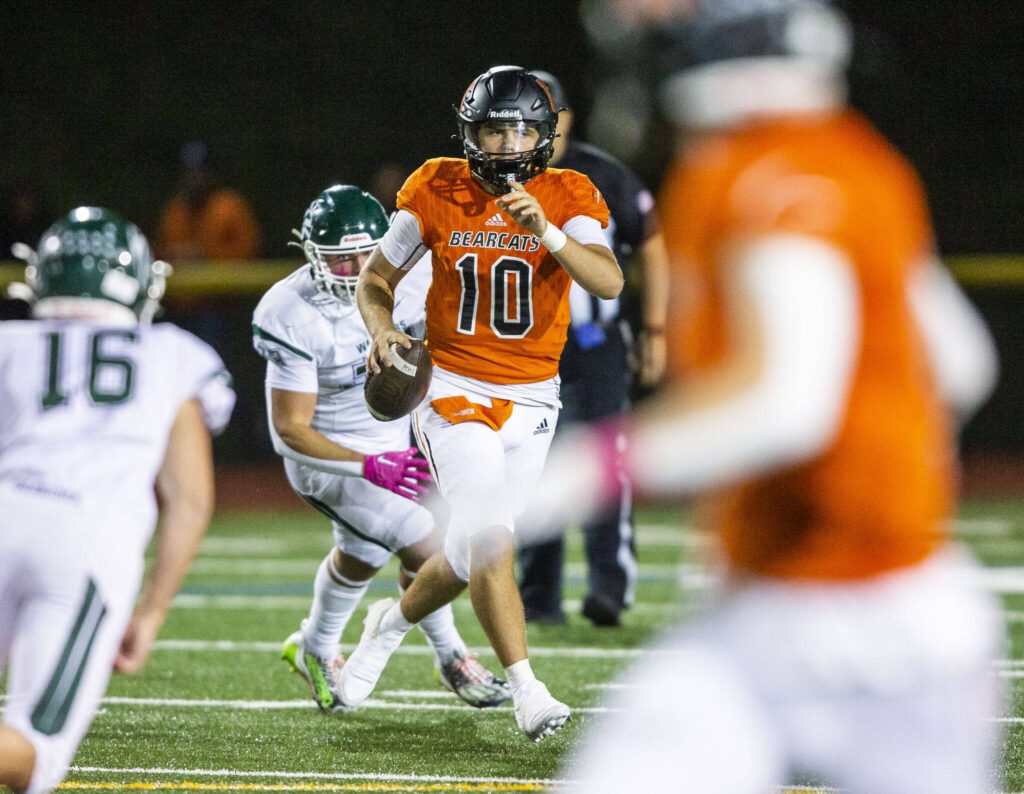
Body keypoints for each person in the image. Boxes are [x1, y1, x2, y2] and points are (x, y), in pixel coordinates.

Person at [534, 1, 1006, 790]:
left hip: (830, 623)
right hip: (905, 616)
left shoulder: (756, 172)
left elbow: (786, 403)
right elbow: (963, 365)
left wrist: (585, 473)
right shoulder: (857, 158)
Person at [339, 65, 623, 742]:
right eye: (492, 129)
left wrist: (550, 233)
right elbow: (377, 277)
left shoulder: (570, 191)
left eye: (519, 129)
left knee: (471, 555)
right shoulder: (438, 184)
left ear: (544, 134)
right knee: (491, 534)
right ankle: (528, 689)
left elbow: (608, 281)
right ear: (471, 133)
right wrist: (382, 330)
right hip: (454, 389)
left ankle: (389, 624)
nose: (503, 143)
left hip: (534, 397)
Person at [0, 207, 235, 794]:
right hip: (87, 539)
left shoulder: (9, 342)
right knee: (34, 757)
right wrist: (152, 610)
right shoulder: (175, 353)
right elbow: (189, 500)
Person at [251, 185, 509, 712]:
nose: (351, 269)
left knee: (363, 554)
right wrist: (372, 465)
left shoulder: (411, 282)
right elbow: (291, 432)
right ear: (311, 253)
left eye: (362, 255)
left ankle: (314, 647)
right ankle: (452, 654)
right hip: (329, 458)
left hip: (397, 441)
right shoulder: (291, 311)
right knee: (436, 547)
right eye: (338, 258)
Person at [516, 69, 670, 627]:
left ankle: (609, 589)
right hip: (528, 349)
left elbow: (651, 242)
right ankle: (538, 597)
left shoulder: (602, 173)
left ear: (565, 119)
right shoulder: (492, 177)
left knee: (605, 467)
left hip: (594, 343)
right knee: (532, 469)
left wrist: (653, 328)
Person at [156, 141, 262, 262]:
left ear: (211, 174)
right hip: (187, 281)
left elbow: (250, 253)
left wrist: (205, 255)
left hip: (227, 280)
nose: (194, 177)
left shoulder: (231, 207)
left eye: (200, 171)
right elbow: (162, 255)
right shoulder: (175, 212)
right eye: (189, 171)